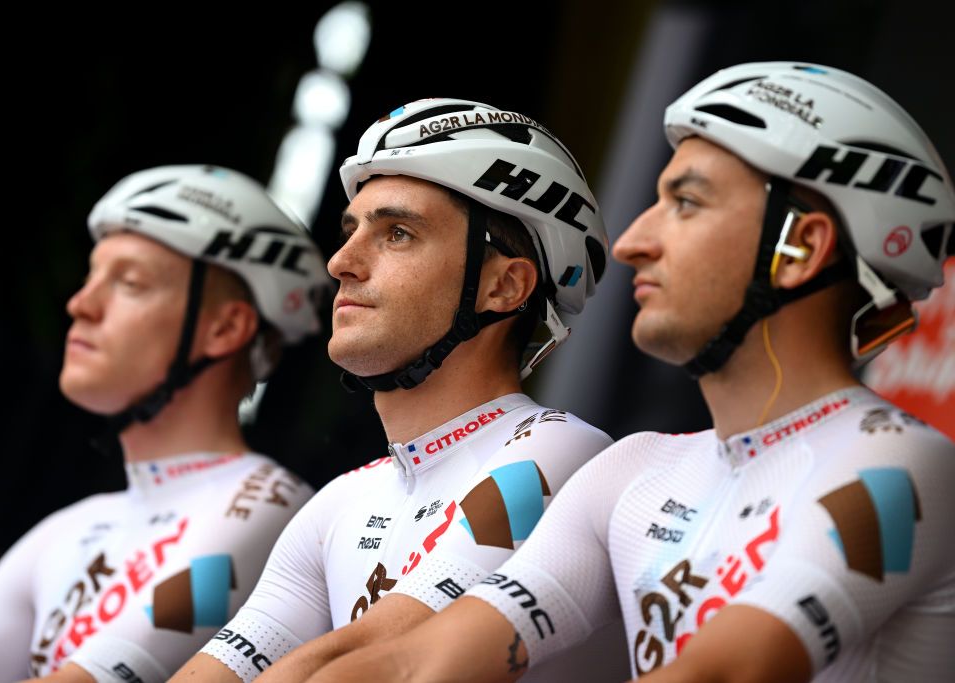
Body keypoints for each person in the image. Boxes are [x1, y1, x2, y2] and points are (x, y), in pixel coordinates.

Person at [294, 63, 955, 683]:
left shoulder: (902, 464)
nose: (633, 241)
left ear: (801, 247)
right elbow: (414, 662)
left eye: (687, 203)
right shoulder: (633, 470)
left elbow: (727, 671)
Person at [169, 98, 616, 683]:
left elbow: (368, 664)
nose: (340, 263)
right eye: (351, 231)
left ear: (504, 286)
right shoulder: (338, 506)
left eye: (397, 234)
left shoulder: (561, 452)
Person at [0, 165, 331, 682]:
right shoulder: (67, 530)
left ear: (225, 328)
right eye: (89, 277)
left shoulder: (266, 504)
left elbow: (100, 678)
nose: (80, 305)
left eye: (130, 282)